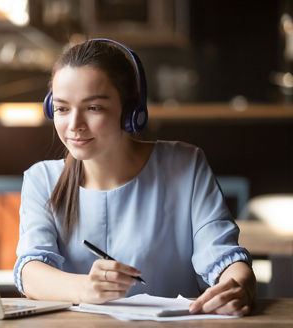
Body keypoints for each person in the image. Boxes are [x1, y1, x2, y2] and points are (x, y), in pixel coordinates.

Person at [14, 38, 256, 316]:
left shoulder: (185, 165)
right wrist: (87, 289)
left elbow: (223, 256)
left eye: (94, 108)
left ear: (131, 112)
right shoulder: (41, 179)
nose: (74, 125)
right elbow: (31, 271)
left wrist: (240, 285)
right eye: (62, 108)